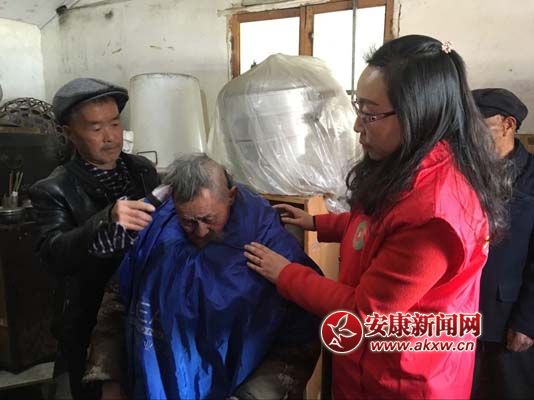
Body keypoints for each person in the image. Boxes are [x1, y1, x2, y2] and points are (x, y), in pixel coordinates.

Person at [243, 35, 512, 399]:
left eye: (370, 113)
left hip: (402, 379)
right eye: (358, 108)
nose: (358, 126)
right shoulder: (409, 168)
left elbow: (364, 313)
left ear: (419, 114)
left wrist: (286, 274)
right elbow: (377, 228)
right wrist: (318, 223)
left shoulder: (434, 215)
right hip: (369, 366)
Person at [84, 154, 320, 400]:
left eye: (209, 219)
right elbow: (117, 300)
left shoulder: (270, 247)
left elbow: (300, 338)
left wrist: (252, 396)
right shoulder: (154, 233)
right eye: (188, 221)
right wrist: (109, 377)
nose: (200, 231)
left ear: (231, 196)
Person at [30, 78, 160, 400]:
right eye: (96, 128)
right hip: (87, 317)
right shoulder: (53, 189)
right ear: (68, 133)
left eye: (115, 123)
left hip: (143, 309)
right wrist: (105, 222)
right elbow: (53, 254)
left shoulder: (142, 170)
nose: (110, 136)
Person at [471, 88, 534, 399]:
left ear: (508, 124)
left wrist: (527, 321)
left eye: (478, 126)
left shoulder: (531, 177)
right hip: (462, 314)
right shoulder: (466, 172)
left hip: (509, 317)